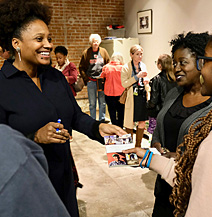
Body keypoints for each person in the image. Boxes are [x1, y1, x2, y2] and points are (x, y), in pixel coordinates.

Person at [0, 1, 126, 216]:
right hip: (29, 183)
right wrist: (34, 137)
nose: (48, 44)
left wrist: (98, 128)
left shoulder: (55, 77)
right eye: (39, 39)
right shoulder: (3, 86)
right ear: (16, 43)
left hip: (63, 176)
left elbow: (75, 115)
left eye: (49, 38)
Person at [124, 29, 212, 217]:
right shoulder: (174, 93)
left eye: (183, 62)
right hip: (168, 181)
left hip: (189, 192)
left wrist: (176, 155)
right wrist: (155, 149)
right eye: (174, 63)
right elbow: (160, 125)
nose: (176, 68)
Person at [0, 124, 71, 217]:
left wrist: (94, 128)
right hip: (36, 175)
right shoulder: (13, 159)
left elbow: (75, 116)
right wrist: (35, 136)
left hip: (63, 172)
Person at [121, 44, 149, 147]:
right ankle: (129, 146)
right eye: (137, 54)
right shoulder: (126, 67)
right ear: (131, 55)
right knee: (129, 122)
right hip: (131, 96)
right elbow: (124, 84)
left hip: (141, 95)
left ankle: (138, 146)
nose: (140, 56)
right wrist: (137, 77)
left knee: (142, 122)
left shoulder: (143, 65)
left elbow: (145, 78)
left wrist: (146, 81)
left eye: (141, 54)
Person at [79, 34, 110, 122]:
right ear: (91, 43)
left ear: (99, 42)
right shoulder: (86, 53)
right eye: (93, 42)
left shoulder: (103, 52)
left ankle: (101, 119)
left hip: (101, 81)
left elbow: (108, 64)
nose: (95, 43)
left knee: (102, 102)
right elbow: (81, 67)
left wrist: (105, 77)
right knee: (92, 103)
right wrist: (86, 79)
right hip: (91, 80)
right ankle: (92, 120)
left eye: (97, 41)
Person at [147, 54, 177, 134]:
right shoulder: (176, 78)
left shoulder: (157, 79)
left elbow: (154, 100)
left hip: (159, 113)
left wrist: (146, 105)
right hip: (174, 113)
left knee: (156, 136)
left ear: (160, 65)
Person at [101, 52, 125, 128]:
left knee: (112, 112)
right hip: (121, 93)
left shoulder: (106, 67)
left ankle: (114, 127)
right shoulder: (123, 68)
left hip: (109, 93)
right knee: (121, 112)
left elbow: (102, 77)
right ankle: (120, 128)